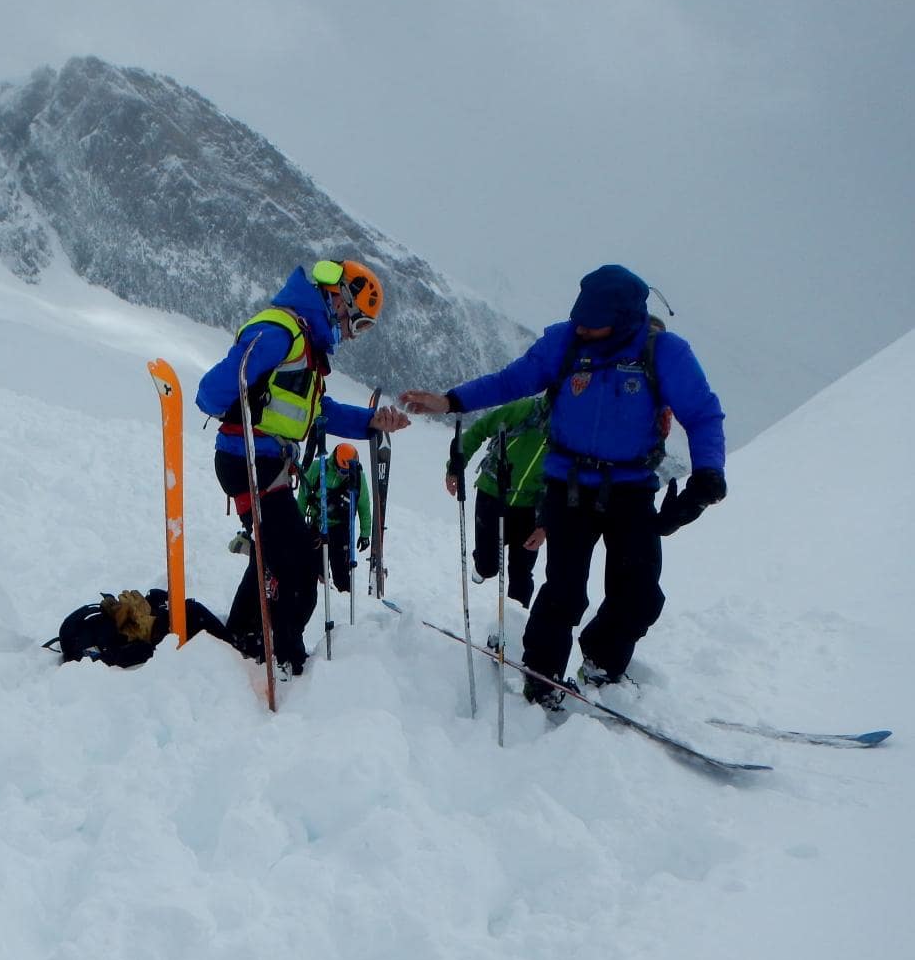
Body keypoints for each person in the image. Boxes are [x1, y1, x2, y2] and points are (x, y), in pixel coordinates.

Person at [400, 264, 726, 708]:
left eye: (594, 324)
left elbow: (703, 413)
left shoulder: (664, 352)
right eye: (580, 320)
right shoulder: (566, 340)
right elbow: (512, 380)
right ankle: (542, 676)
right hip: (568, 486)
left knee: (640, 594)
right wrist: (450, 401)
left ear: (625, 318)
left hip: (631, 488)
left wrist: (707, 478)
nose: (584, 329)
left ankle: (601, 664)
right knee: (564, 590)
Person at [196, 259, 410, 674]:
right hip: (249, 461)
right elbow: (211, 392)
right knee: (298, 563)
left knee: (277, 553)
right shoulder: (282, 333)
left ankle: (245, 635)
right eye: (359, 322)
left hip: (265, 463)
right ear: (339, 297)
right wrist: (246, 411)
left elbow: (318, 412)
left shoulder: (305, 345)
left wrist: (370, 422)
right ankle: (280, 654)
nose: (353, 333)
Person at [446, 395, 550, 609]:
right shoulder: (525, 410)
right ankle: (483, 567)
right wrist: (455, 466)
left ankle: (512, 627)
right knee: (488, 565)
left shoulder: (574, 430)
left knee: (521, 572)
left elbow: (566, 481)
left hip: (531, 505)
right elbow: (480, 429)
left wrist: (545, 525)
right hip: (493, 492)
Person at [298, 442, 372, 594]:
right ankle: (320, 590)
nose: (344, 474)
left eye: (347, 472)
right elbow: (303, 495)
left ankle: (344, 595)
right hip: (317, 523)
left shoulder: (358, 478)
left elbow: (363, 505)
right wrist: (298, 522)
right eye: (342, 471)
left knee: (341, 571)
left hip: (340, 526)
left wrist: (365, 533)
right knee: (314, 567)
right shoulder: (318, 468)